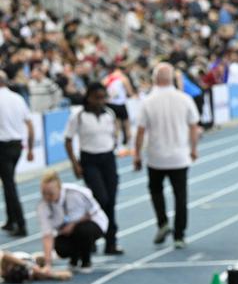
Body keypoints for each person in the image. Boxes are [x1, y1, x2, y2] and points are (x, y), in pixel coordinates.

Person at [134, 63, 200, 249]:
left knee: (156, 191)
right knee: (180, 196)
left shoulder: (147, 101)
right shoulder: (184, 98)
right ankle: (179, 235)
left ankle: (162, 222)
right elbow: (193, 126)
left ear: (155, 79)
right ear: (172, 79)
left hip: (156, 157)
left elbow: (140, 131)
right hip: (179, 156)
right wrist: (194, 148)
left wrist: (137, 154)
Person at [64, 83, 124, 256]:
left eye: (103, 97)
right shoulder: (79, 116)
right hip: (89, 160)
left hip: (108, 159)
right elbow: (68, 140)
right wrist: (75, 164)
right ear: (88, 97)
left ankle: (111, 242)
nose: (100, 101)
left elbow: (114, 134)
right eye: (97, 97)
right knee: (100, 199)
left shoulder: (109, 114)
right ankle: (91, 237)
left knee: (111, 201)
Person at [37, 170, 107, 272]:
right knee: (60, 246)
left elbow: (93, 212)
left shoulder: (75, 193)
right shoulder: (43, 206)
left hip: (94, 223)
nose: (47, 197)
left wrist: (73, 224)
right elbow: (47, 235)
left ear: (59, 188)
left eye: (50, 194)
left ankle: (86, 261)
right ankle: (74, 258)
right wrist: (48, 264)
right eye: (44, 193)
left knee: (82, 230)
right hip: (68, 232)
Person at [0, 70, 33, 236]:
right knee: (8, 182)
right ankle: (11, 220)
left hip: (3, 147)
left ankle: (21, 224)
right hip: (17, 146)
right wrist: (31, 148)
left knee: (9, 185)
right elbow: (30, 124)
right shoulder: (17, 98)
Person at [103, 64, 134, 152]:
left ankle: (117, 146)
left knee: (116, 126)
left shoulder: (107, 78)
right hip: (120, 104)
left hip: (111, 105)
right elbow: (130, 92)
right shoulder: (123, 78)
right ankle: (129, 145)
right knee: (127, 125)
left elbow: (101, 88)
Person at [1, 249, 72, 283]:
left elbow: (68, 275)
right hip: (21, 263)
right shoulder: (27, 260)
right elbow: (5, 256)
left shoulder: (35, 271)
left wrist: (50, 274)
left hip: (16, 269)